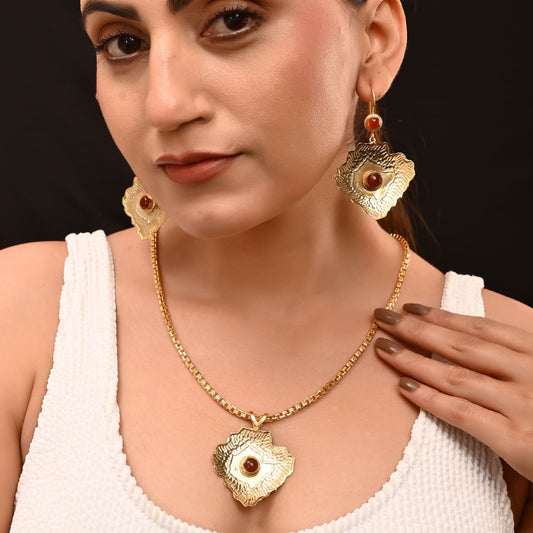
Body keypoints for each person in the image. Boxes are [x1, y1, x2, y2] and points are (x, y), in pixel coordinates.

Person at [1, 0, 532, 531]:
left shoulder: (514, 370)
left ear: (374, 39)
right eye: (124, 43)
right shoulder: (23, 316)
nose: (164, 106)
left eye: (232, 20)